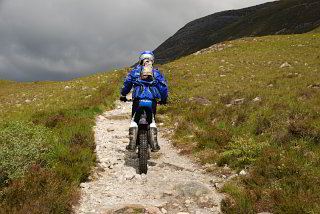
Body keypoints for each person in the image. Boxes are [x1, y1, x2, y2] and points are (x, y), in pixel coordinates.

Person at [120, 51, 168, 152]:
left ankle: (132, 143)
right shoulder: (157, 73)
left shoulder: (134, 72)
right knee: (152, 120)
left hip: (138, 100)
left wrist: (123, 95)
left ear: (140, 60)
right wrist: (163, 100)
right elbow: (163, 88)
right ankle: (154, 143)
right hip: (152, 100)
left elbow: (127, 84)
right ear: (152, 60)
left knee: (134, 120)